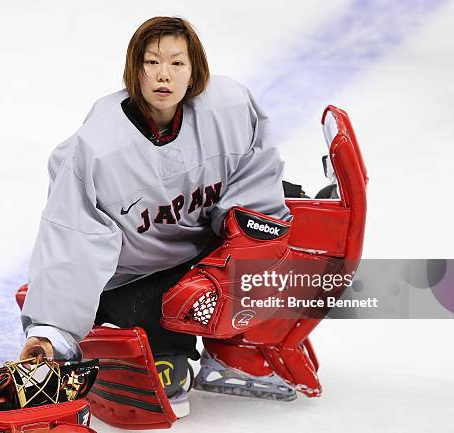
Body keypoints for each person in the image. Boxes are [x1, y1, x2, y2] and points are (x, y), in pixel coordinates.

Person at [19, 16, 291, 413]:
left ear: (195, 69)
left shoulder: (229, 108)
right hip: (136, 278)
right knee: (170, 382)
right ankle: (162, 341)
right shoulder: (97, 149)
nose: (164, 75)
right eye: (152, 63)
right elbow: (73, 238)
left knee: (293, 225)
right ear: (136, 69)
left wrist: (244, 243)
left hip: (203, 246)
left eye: (177, 63)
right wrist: (51, 331)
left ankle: (236, 349)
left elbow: (257, 172)